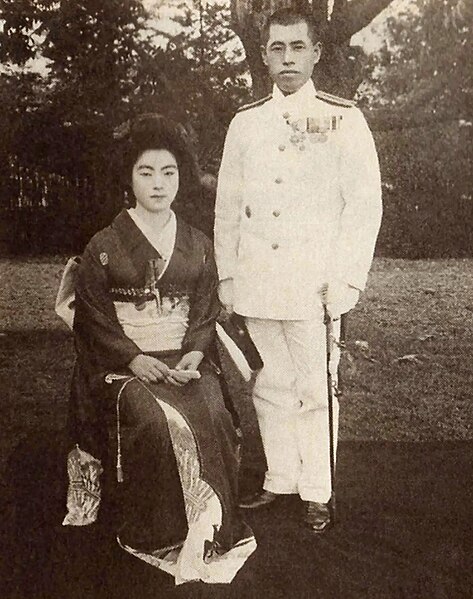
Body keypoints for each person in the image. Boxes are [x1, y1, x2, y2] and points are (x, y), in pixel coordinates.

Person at [64, 114, 256, 584]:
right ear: (128, 179)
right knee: (152, 420)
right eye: (146, 172)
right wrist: (132, 357)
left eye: (168, 172)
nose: (158, 183)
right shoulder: (104, 245)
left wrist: (194, 350)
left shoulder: (197, 243)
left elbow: (206, 307)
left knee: (213, 412)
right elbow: (92, 316)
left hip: (184, 359)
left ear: (180, 177)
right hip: (122, 364)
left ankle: (214, 528)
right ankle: (158, 530)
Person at [214, 8, 382, 533]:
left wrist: (348, 279)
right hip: (260, 278)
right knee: (271, 382)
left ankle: (318, 490)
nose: (287, 58)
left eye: (297, 47)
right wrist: (227, 275)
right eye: (277, 48)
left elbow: (363, 205)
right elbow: (227, 205)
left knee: (315, 384)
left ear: (315, 53)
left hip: (315, 284)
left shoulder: (343, 117)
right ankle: (281, 476)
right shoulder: (246, 122)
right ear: (263, 56)